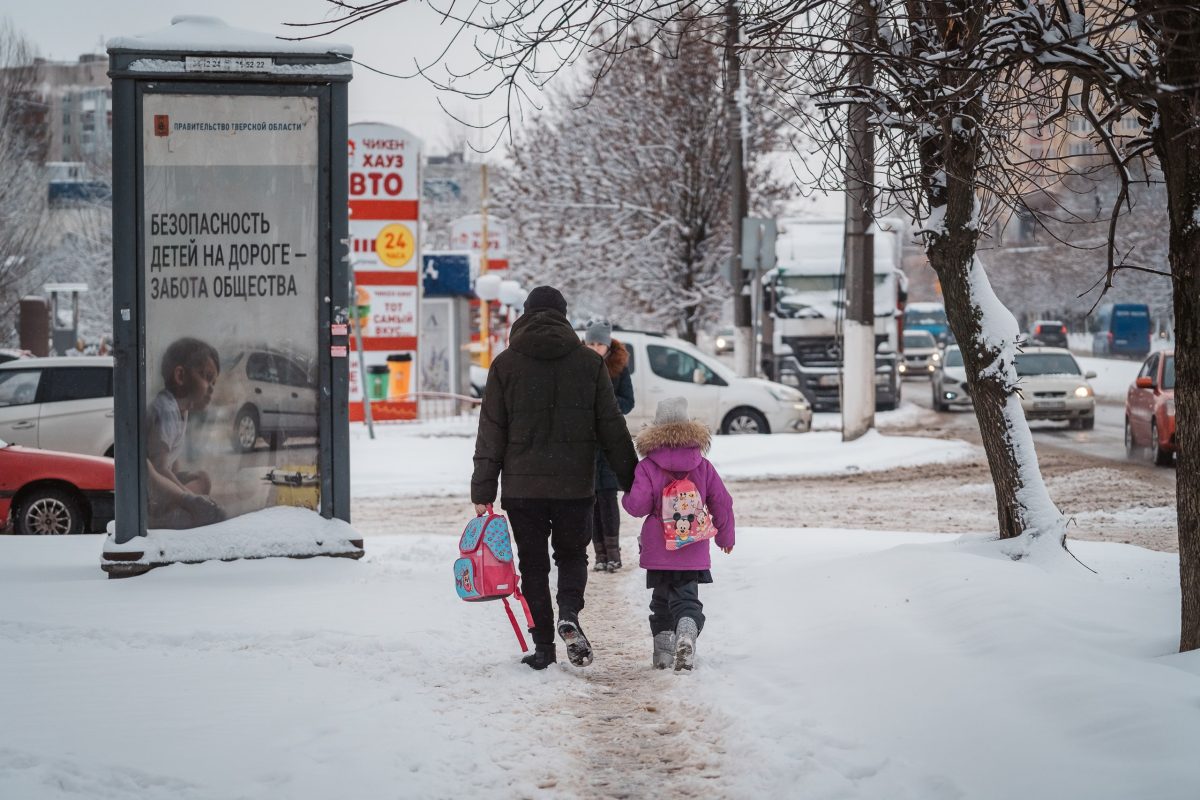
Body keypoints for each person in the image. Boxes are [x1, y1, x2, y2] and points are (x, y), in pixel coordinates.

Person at [472, 286, 638, 671]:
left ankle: (544, 646)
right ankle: (569, 613)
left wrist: (483, 487)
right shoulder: (589, 363)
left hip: (522, 488)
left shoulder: (505, 365)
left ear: (525, 315)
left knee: (532, 565)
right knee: (571, 556)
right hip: (574, 486)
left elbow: (491, 432)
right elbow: (611, 426)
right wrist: (633, 478)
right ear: (564, 316)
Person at [622, 396, 735, 671]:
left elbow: (637, 507)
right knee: (687, 598)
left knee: (660, 602)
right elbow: (721, 501)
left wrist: (627, 495)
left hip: (659, 548)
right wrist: (725, 537)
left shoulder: (648, 466)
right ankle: (687, 631)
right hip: (692, 547)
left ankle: (663, 654)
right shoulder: (702, 466)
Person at [147, 337, 225, 529]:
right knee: (147, 466)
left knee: (202, 478)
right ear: (180, 376)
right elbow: (159, 467)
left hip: (163, 483)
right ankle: (173, 512)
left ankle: (181, 510)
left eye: (213, 381)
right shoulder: (165, 409)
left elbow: (172, 461)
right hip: (150, 489)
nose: (211, 388)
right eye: (206, 377)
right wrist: (187, 498)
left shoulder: (182, 410)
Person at [582, 318, 634, 573]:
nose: (594, 348)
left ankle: (614, 553)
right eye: (590, 343)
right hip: (586, 442)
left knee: (607, 497)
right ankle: (599, 553)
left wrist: (608, 406)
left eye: (598, 344)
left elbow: (628, 401)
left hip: (609, 441)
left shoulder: (618, 367)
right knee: (590, 499)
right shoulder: (577, 365)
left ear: (607, 345)